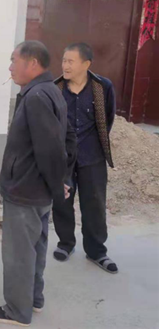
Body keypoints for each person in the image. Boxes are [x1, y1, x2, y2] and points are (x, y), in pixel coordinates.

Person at [0, 41, 77, 327]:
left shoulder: (37, 96)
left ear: (32, 63)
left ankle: (17, 311)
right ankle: (34, 298)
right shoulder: (50, 91)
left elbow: (50, 149)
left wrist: (58, 184)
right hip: (38, 190)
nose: (10, 67)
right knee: (35, 248)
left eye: (14, 60)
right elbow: (68, 138)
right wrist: (60, 180)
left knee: (19, 254)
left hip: (26, 191)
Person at [52, 43, 118, 273]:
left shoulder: (102, 87)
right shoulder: (56, 88)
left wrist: (94, 144)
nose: (65, 65)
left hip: (93, 157)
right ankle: (65, 243)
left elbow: (107, 119)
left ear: (86, 64)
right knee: (62, 202)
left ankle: (97, 251)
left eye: (70, 61)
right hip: (64, 158)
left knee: (94, 205)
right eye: (64, 60)